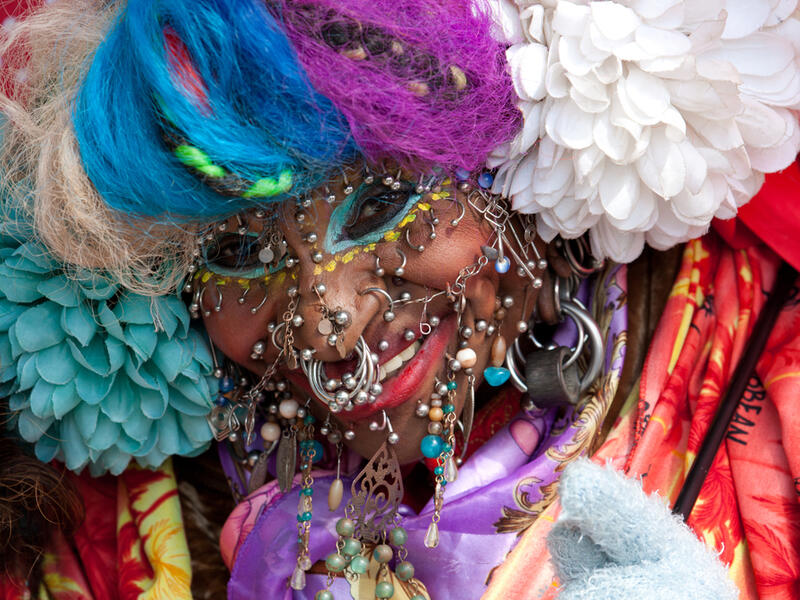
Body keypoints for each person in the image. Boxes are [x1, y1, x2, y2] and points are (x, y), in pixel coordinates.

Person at [0, 0, 798, 599]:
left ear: (511, 159)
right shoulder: (104, 530)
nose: (325, 323)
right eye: (237, 255)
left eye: (379, 206)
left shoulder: (769, 368)